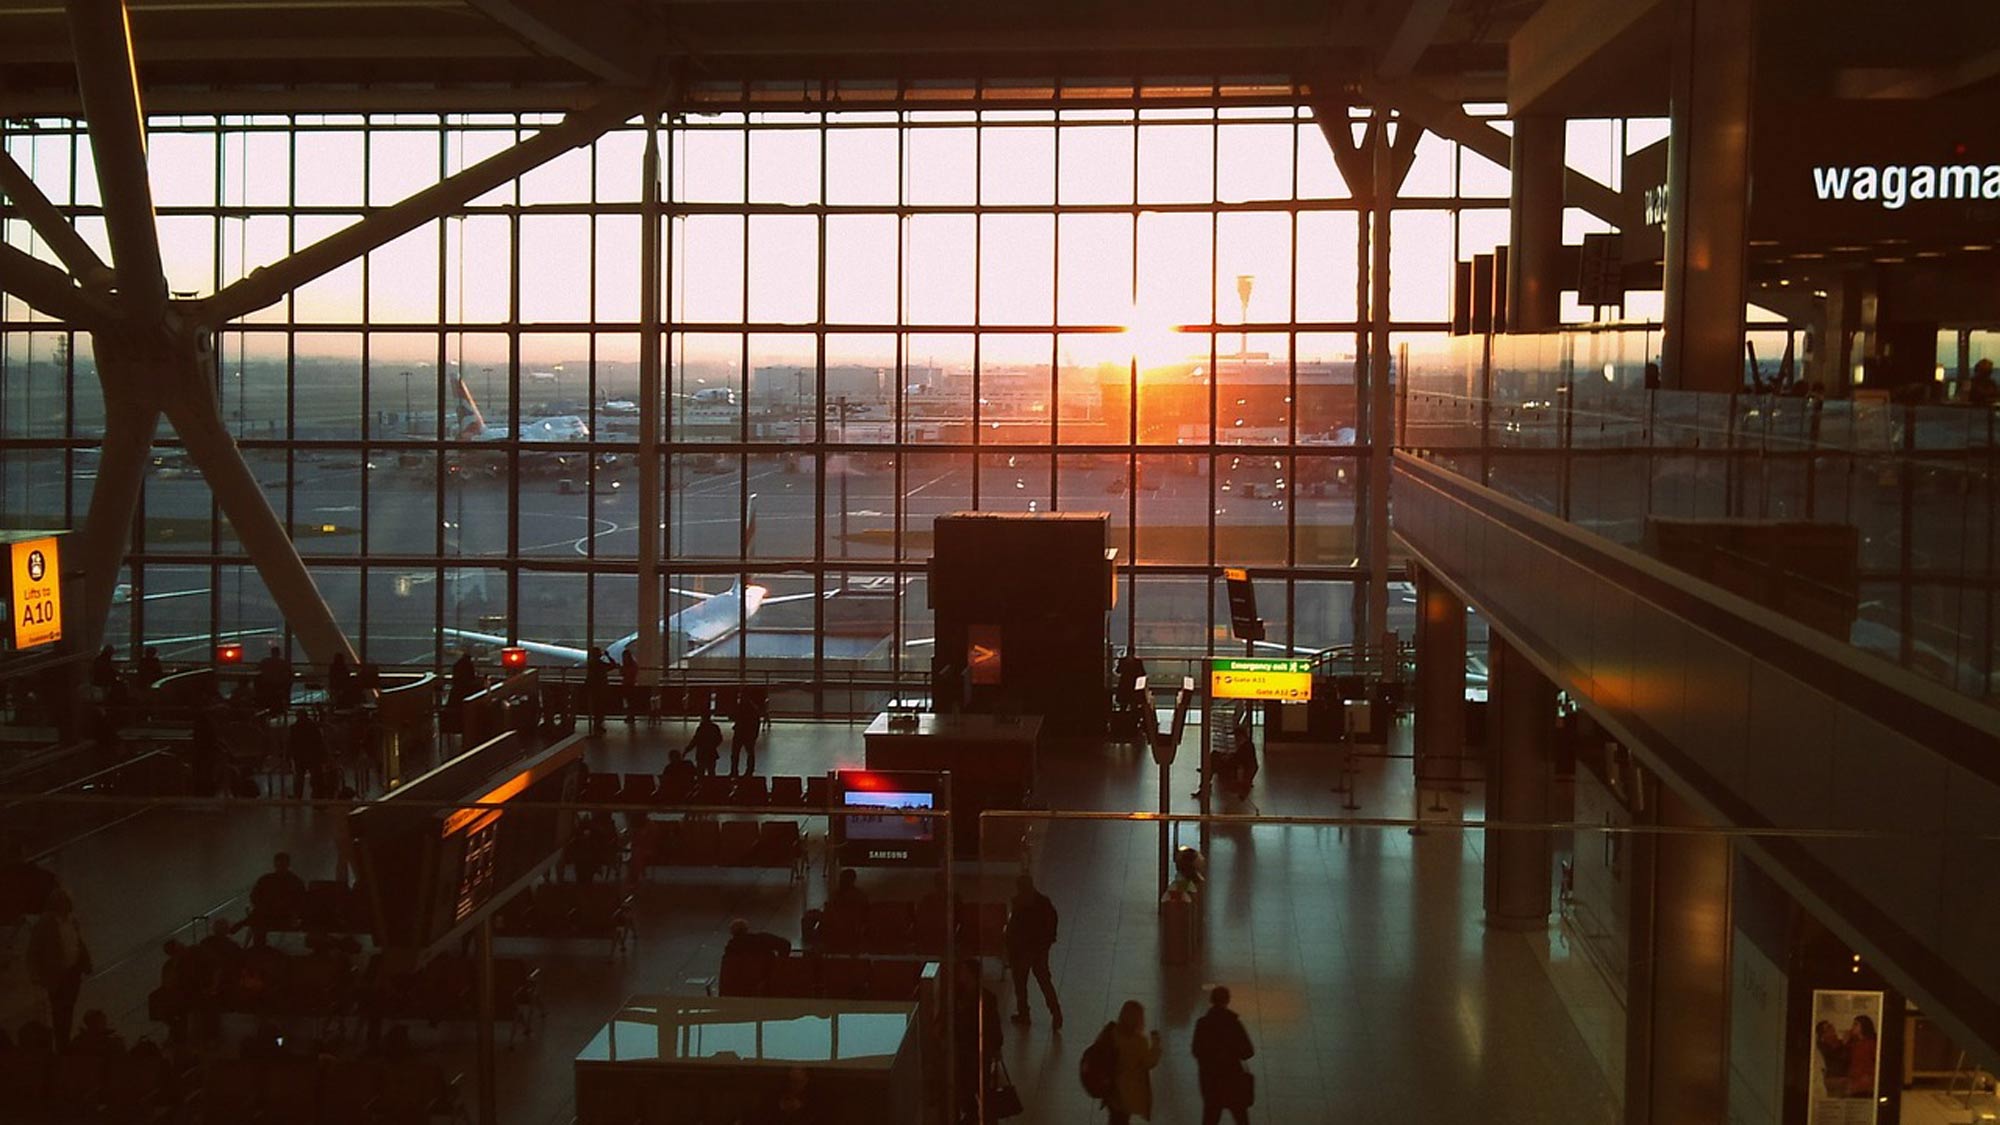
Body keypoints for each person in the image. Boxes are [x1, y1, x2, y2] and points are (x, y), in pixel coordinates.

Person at [28, 886, 92, 1047]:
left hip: (72, 972)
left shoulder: (72, 921)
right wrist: (35, 973)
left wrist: (85, 961)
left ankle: (64, 1041)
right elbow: (33, 951)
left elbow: (78, 943)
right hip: (56, 974)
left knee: (68, 1008)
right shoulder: (45, 924)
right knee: (59, 1011)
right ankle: (62, 1043)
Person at [1004, 873, 1062, 1029]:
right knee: (1044, 981)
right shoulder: (1044, 903)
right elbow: (1051, 924)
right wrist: (1046, 943)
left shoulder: (1018, 903)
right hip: (1039, 950)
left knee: (1021, 984)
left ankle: (1024, 1013)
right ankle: (1055, 1012)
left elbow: (1013, 928)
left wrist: (1010, 947)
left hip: (1022, 951)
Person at [1192, 985, 1256, 1125]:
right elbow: (1248, 1052)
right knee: (1240, 1116)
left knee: (1211, 1117)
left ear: (1211, 1000)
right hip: (1233, 1078)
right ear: (1227, 1000)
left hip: (1211, 1079)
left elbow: (1196, 1050)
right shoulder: (1234, 1023)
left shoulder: (1202, 1024)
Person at [952, 960, 1002, 1125]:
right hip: (968, 1051)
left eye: (963, 971)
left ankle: (976, 1117)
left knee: (976, 1088)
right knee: (969, 1089)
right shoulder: (962, 996)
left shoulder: (983, 999)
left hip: (976, 1052)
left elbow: (993, 1026)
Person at [1106, 999, 1162, 1124]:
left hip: (1111, 1088)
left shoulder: (1111, 1032)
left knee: (1115, 1118)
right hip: (1127, 1091)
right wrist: (1156, 1044)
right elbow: (1149, 1062)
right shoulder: (1138, 1042)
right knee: (1122, 1119)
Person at [248, 852, 307, 943]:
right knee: (257, 920)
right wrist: (263, 908)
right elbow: (254, 897)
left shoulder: (295, 882)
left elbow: (302, 901)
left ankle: (259, 947)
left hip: (287, 916)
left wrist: (294, 913)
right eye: (279, 864)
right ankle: (259, 947)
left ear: (288, 865)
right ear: (275, 864)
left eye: (283, 864)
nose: (281, 867)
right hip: (268, 914)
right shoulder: (266, 880)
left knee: (257, 920)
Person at [289, 712, 327, 799]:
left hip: (300, 756)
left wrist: (290, 755)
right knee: (315, 777)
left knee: (299, 777)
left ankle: (298, 796)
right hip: (313, 755)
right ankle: (317, 796)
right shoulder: (313, 727)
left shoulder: (294, 728)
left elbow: (291, 743)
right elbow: (319, 742)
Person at [729, 689, 764, 776]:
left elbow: (734, 717)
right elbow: (756, 722)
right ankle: (749, 770)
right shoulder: (752, 708)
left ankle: (735, 770)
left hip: (741, 732)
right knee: (748, 753)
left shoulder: (743, 707)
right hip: (747, 733)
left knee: (736, 753)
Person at [725, 918, 792, 959]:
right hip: (766, 976)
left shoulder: (731, 949)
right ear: (746, 929)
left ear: (732, 933)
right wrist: (779, 963)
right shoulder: (761, 939)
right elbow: (785, 944)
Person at [1845, 1014, 1878, 1098]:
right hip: (1854, 1079)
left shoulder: (1871, 1043)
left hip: (1865, 1080)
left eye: (1856, 1024)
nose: (1853, 1027)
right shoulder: (1854, 1043)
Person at [585, 647, 614, 735]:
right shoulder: (601, 664)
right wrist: (608, 656)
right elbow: (613, 665)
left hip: (594, 688)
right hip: (601, 688)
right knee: (600, 707)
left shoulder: (592, 664)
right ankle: (598, 724)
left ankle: (597, 724)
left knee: (596, 707)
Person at [255, 645, 293, 713]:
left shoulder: (265, 661)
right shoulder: (283, 663)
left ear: (271, 653)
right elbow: (290, 672)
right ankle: (283, 706)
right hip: (278, 687)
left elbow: (257, 670)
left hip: (266, 686)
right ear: (279, 653)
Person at [687, 708, 723, 777]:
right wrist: (713, 746)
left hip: (701, 753)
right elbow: (719, 739)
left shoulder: (701, 728)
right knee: (711, 772)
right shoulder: (715, 727)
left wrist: (687, 749)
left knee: (700, 773)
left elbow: (695, 741)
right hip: (711, 753)